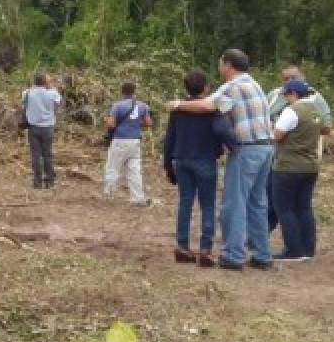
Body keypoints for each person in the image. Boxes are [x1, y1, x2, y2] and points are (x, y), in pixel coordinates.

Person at [169, 49, 274, 271]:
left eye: (220, 64)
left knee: (234, 203)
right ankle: (262, 254)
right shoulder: (256, 85)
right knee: (257, 202)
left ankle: (234, 255)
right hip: (266, 148)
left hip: (246, 149)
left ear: (228, 65)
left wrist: (178, 105)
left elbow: (208, 105)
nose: (219, 69)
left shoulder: (233, 86)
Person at [163, 71, 234, 266]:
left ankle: (182, 247)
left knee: (185, 202)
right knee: (208, 205)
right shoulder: (211, 110)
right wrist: (232, 146)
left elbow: (169, 138)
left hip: (181, 159)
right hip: (204, 159)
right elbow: (221, 130)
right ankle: (205, 249)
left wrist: (167, 164)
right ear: (206, 88)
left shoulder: (178, 110)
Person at [265, 64, 332, 232]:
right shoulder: (274, 94)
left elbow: (326, 127)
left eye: (293, 78)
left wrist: (297, 127)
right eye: (285, 79)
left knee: (293, 205)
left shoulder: (315, 99)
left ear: (303, 77)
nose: (288, 82)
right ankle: (261, 235)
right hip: (273, 154)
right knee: (270, 197)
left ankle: (296, 245)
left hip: (298, 155)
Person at [271, 78, 325, 262]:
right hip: (310, 166)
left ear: (293, 94)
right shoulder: (315, 111)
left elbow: (277, 135)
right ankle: (308, 248)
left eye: (286, 95)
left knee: (284, 208)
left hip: (288, 167)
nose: (286, 99)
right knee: (303, 207)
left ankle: (293, 249)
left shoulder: (292, 111)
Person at [105, 81, 153, 206]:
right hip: (135, 141)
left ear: (122, 91)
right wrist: (136, 124)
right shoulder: (143, 106)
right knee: (134, 170)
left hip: (120, 140)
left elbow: (111, 123)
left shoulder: (117, 106)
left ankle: (109, 193)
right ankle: (137, 198)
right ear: (134, 91)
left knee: (113, 166)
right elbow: (148, 123)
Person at [22, 72, 61, 189]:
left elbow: (24, 105)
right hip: (48, 127)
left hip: (33, 127)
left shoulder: (27, 93)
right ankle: (50, 181)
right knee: (47, 154)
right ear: (45, 82)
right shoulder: (53, 93)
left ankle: (37, 181)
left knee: (35, 155)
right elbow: (57, 105)